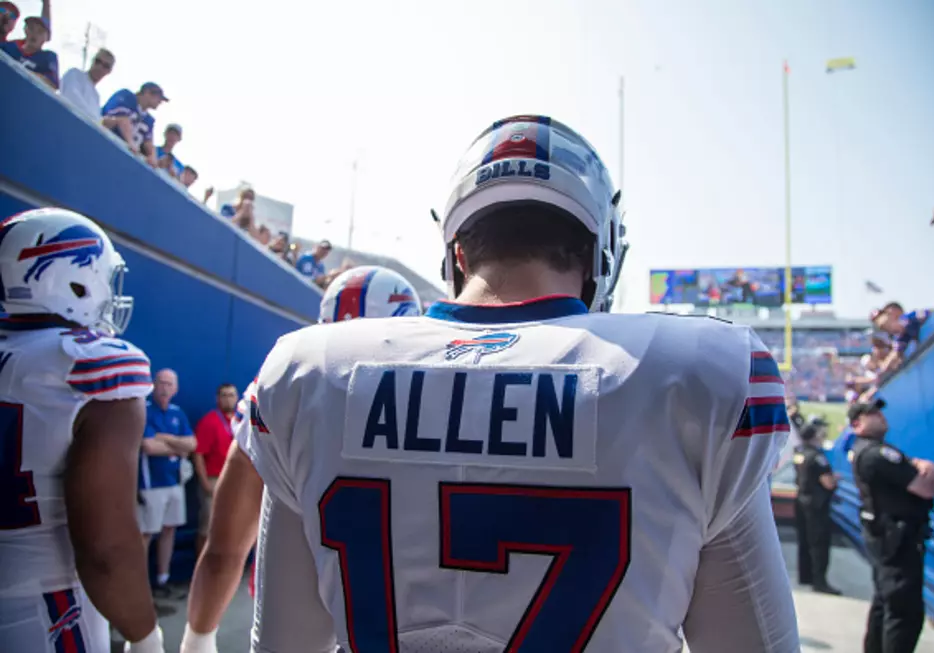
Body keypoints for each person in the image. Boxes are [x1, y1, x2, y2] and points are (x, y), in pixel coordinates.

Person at [242, 116, 799, 652]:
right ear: (595, 252)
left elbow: (284, 644)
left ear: (457, 251)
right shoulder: (694, 376)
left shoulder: (313, 371)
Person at [179, 266, 423, 653]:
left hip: (292, 613)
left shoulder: (287, 387)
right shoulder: (446, 398)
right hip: (411, 618)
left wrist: (197, 639)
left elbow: (224, 551)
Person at [0, 208, 165, 652]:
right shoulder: (85, 363)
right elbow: (104, 548)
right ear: (73, 280)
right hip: (41, 607)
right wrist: (145, 635)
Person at [849, 398, 934, 653]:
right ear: (857, 424)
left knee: (885, 603)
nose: (881, 416)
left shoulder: (867, 451)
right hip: (897, 540)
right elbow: (924, 488)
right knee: (904, 613)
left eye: (879, 412)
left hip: (885, 537)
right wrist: (932, 471)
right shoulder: (878, 453)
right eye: (872, 414)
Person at [139, 368, 196, 598]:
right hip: (150, 484)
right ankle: (139, 585)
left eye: (169, 384)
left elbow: (192, 444)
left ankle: (162, 579)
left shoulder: (177, 413)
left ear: (176, 388)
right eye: (161, 383)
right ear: (154, 385)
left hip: (175, 483)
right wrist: (177, 445)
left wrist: (165, 438)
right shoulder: (144, 410)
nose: (164, 388)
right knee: (146, 534)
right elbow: (148, 447)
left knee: (169, 529)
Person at [793, 416, 840, 594]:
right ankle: (819, 581)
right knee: (819, 543)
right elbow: (827, 482)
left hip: (801, 500)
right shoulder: (818, 457)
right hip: (816, 504)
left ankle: (805, 576)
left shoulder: (799, 452)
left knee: (804, 541)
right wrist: (835, 481)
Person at [191, 383, 239, 556]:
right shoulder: (209, 421)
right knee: (208, 527)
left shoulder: (240, 421)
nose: (228, 399)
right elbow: (198, 454)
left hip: (237, 481)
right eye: (224, 395)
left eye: (232, 395)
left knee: (235, 526)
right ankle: (201, 568)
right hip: (214, 480)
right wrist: (205, 483)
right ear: (217, 398)